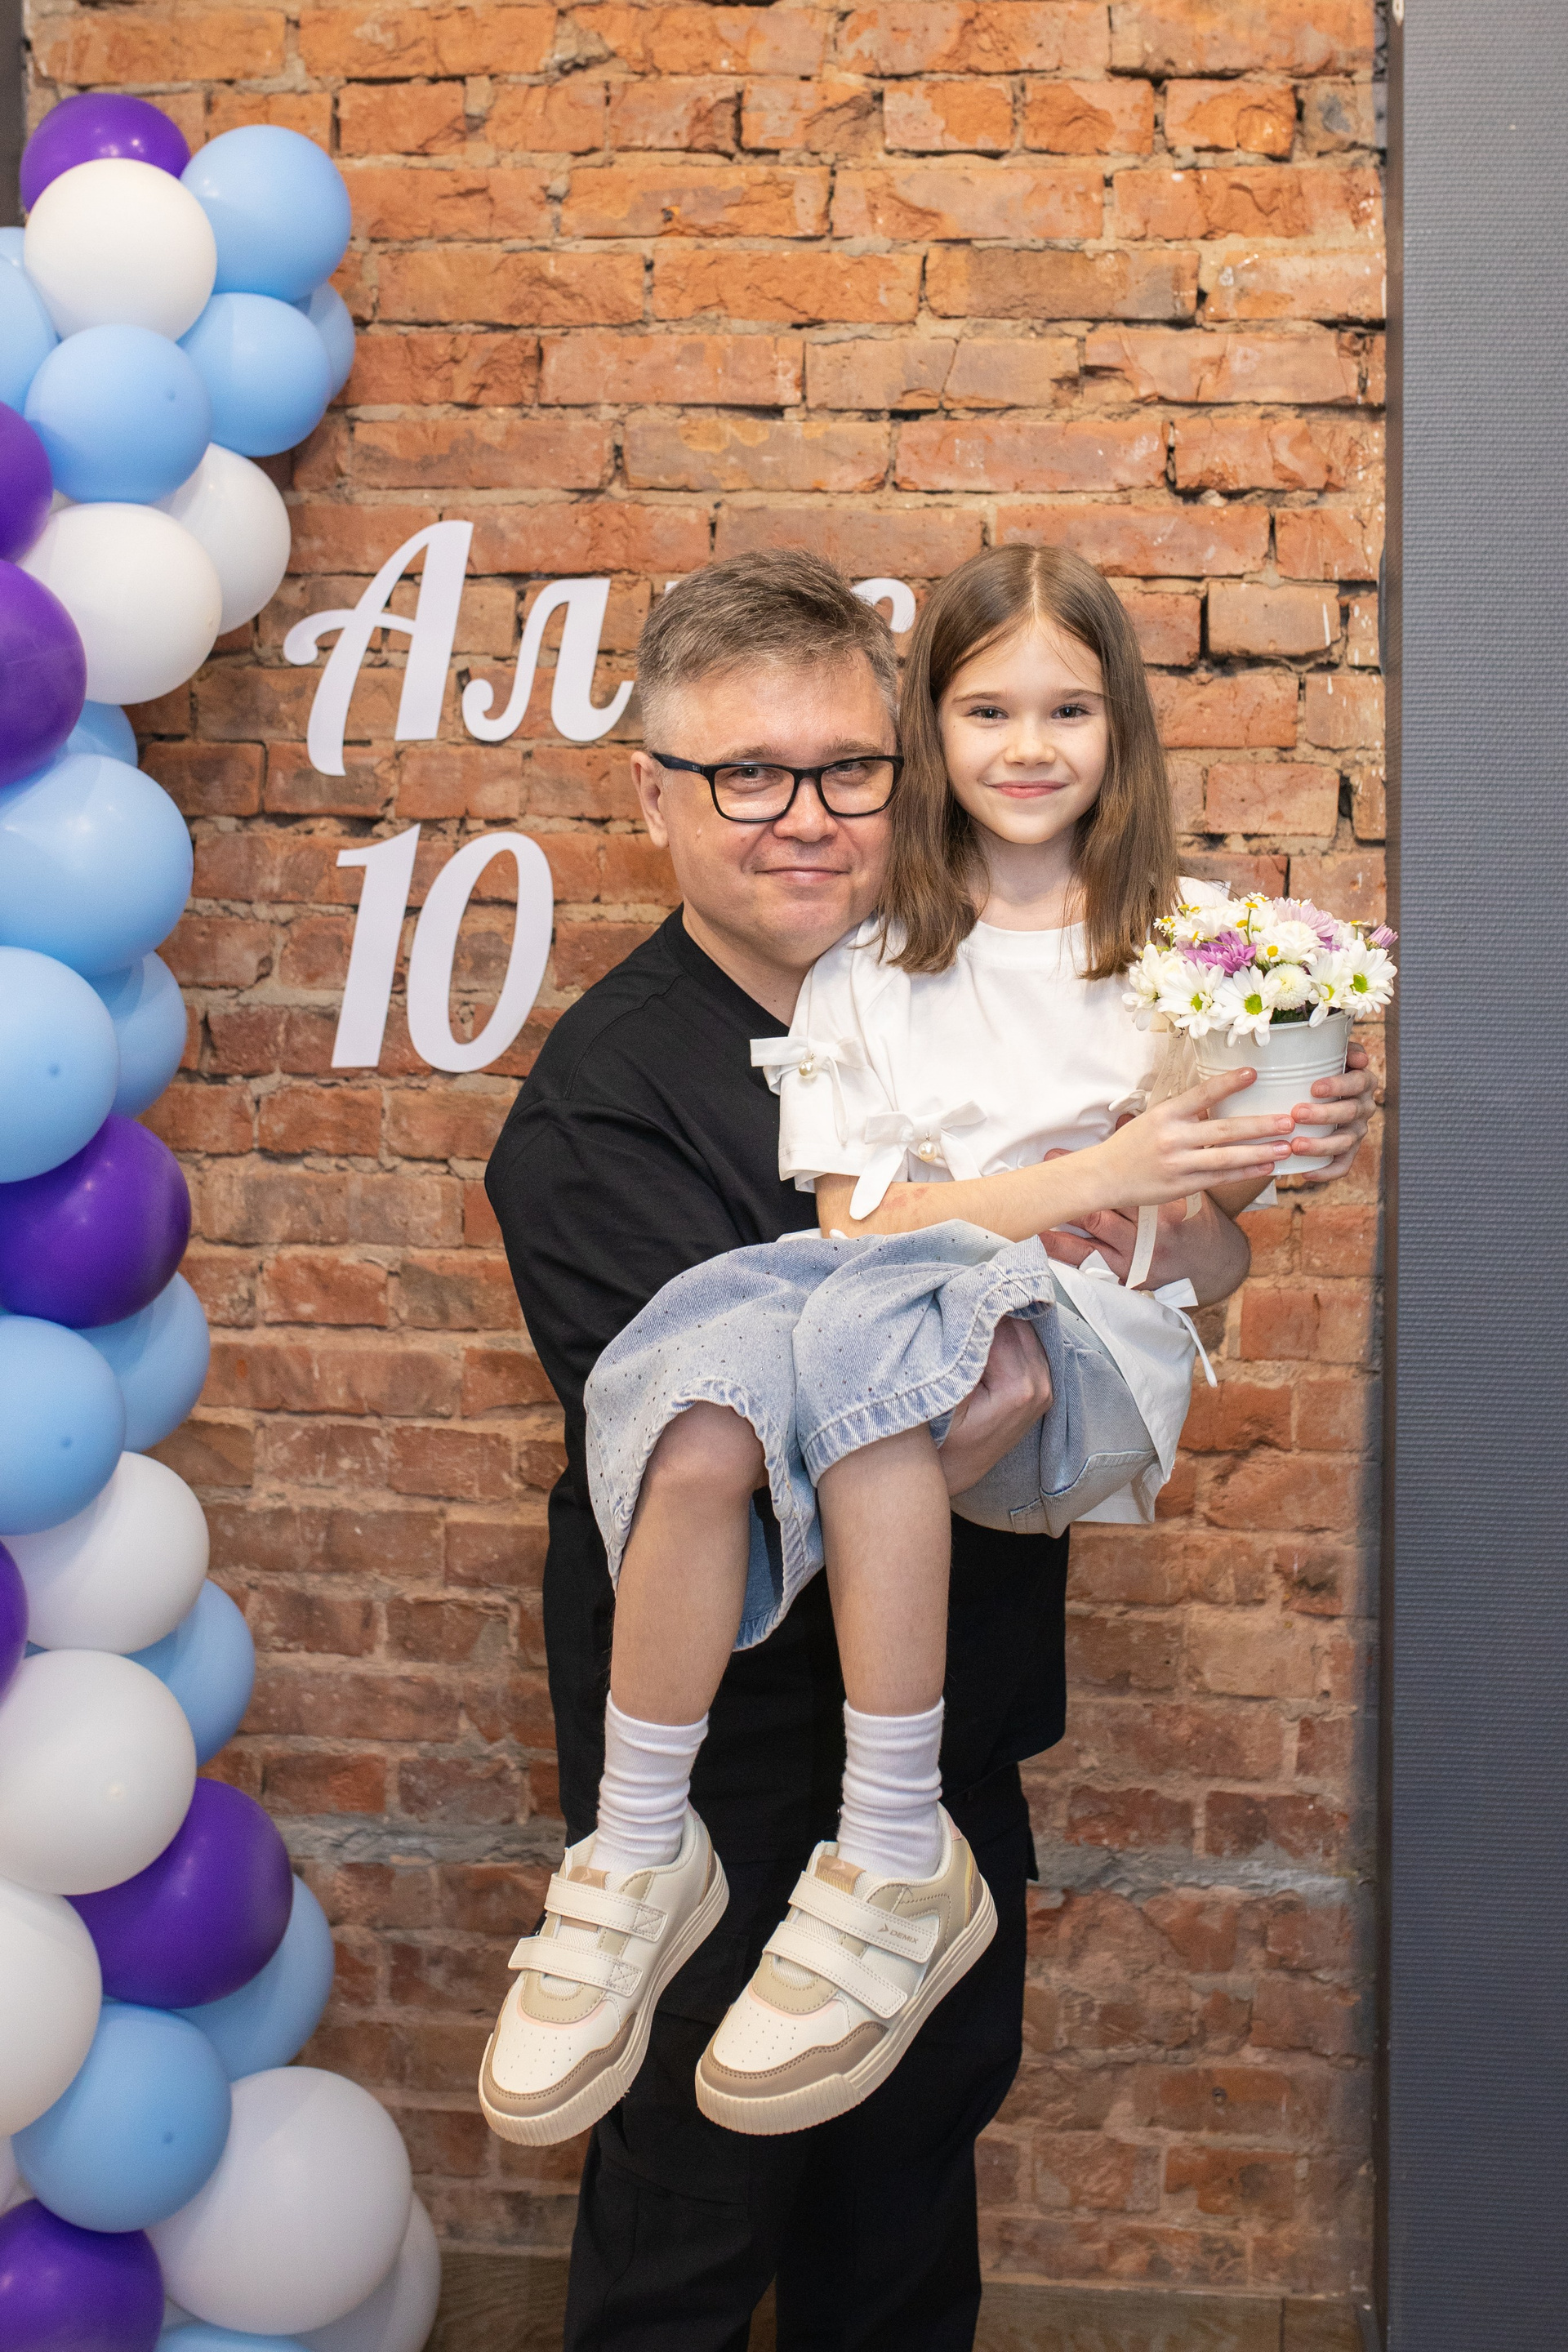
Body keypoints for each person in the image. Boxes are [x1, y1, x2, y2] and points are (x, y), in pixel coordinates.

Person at [483, 550, 1374, 2350]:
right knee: (688, 2221)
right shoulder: (602, 1105)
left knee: (904, 2211)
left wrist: (1228, 1183)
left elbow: (1172, 1281)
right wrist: (943, 1404)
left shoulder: (954, 987)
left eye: (846, 767)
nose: (807, 817)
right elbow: (706, 1463)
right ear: (655, 798)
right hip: (730, 1767)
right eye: (749, 775)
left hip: (942, 1730)